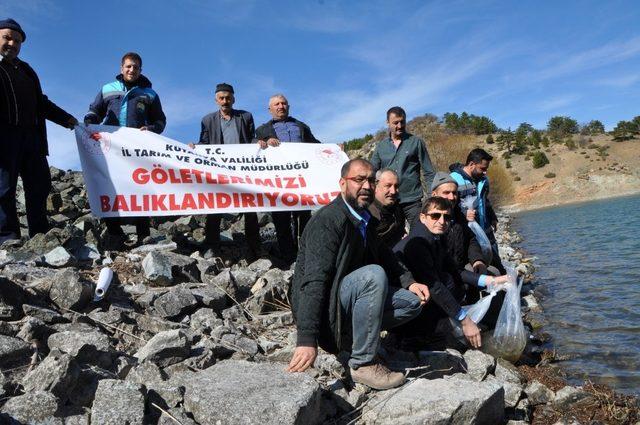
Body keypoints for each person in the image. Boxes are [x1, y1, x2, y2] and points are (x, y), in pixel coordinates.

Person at [288, 158, 428, 390]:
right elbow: (312, 281)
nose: (366, 186)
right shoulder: (328, 221)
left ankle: (356, 341)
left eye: (371, 181)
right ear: (343, 184)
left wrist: (409, 282)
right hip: (326, 310)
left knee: (412, 302)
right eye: (359, 179)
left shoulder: (364, 218)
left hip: (347, 298)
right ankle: (363, 363)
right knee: (373, 275)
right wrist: (306, 339)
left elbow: (385, 255)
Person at [393, 196, 508, 350]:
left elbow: (456, 270)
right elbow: (435, 286)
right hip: (403, 303)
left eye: (447, 217)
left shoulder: (436, 237)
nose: (442, 221)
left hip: (426, 294)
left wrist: (490, 281)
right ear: (422, 217)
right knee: (447, 286)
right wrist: (465, 320)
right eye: (435, 216)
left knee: (455, 282)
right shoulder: (418, 243)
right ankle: (413, 336)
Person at [0, 19, 78, 244]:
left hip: (32, 139)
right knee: (4, 189)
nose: (12, 43)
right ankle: (8, 238)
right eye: (7, 37)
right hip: (4, 139)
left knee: (39, 185)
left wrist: (68, 120)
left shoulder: (26, 70)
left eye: (17, 40)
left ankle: (39, 236)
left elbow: (41, 103)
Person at [84, 52, 166, 245]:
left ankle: (143, 233)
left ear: (140, 70)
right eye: (128, 66)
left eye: (136, 67)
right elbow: (94, 111)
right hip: (111, 149)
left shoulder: (150, 94)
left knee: (140, 188)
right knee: (110, 186)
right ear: (122, 68)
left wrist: (152, 129)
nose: (132, 70)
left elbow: (161, 120)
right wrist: (89, 122)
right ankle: (114, 232)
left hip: (137, 150)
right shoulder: (107, 89)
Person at [188, 83, 260, 254]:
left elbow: (251, 139)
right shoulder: (207, 120)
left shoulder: (246, 117)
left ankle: (255, 247)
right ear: (216, 100)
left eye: (228, 98)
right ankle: (212, 246)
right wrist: (194, 147)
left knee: (250, 209)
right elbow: (205, 143)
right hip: (218, 172)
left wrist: (258, 143)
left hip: (243, 172)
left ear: (233, 99)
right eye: (222, 98)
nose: (225, 101)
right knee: (215, 208)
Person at [255, 94, 320, 262]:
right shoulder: (262, 130)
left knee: (304, 218)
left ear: (288, 106)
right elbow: (252, 148)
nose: (281, 106)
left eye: (283, 103)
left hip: (301, 182)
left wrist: (335, 148)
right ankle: (288, 257)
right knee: (281, 220)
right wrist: (261, 143)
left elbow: (316, 146)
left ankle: (306, 253)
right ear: (270, 109)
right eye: (276, 104)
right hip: (278, 183)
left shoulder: (301, 126)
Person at [370, 106, 435, 230]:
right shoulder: (381, 146)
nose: (399, 126)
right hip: (389, 202)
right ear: (387, 123)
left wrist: (433, 196)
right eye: (395, 123)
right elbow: (372, 172)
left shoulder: (416, 142)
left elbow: (429, 172)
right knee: (389, 237)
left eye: (402, 122)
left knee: (421, 232)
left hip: (412, 201)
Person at [449, 148, 505, 274]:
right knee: (476, 265)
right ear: (471, 164)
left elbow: (485, 201)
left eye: (486, 169)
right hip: (468, 234)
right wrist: (463, 214)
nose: (485, 172)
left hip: (486, 230)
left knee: (497, 265)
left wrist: (493, 218)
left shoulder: (483, 180)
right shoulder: (453, 179)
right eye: (482, 168)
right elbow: (448, 206)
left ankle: (503, 289)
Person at [368, 168, 405, 248]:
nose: (393, 191)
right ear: (375, 187)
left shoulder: (397, 208)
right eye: (388, 186)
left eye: (396, 186)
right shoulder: (367, 214)